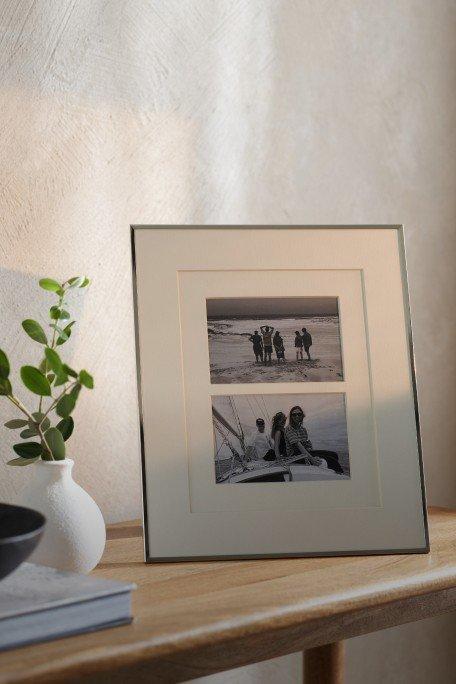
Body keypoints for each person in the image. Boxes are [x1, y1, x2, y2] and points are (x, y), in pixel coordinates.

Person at [284, 405, 344, 474]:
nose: (296, 416)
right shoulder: (289, 429)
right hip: (294, 455)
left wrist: (311, 450)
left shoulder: (302, 429)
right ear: (291, 417)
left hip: (305, 452)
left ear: (302, 416)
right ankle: (340, 476)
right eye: (294, 414)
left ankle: (338, 474)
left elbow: (306, 444)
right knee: (331, 460)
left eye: (299, 414)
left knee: (334, 455)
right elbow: (298, 445)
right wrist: (312, 459)